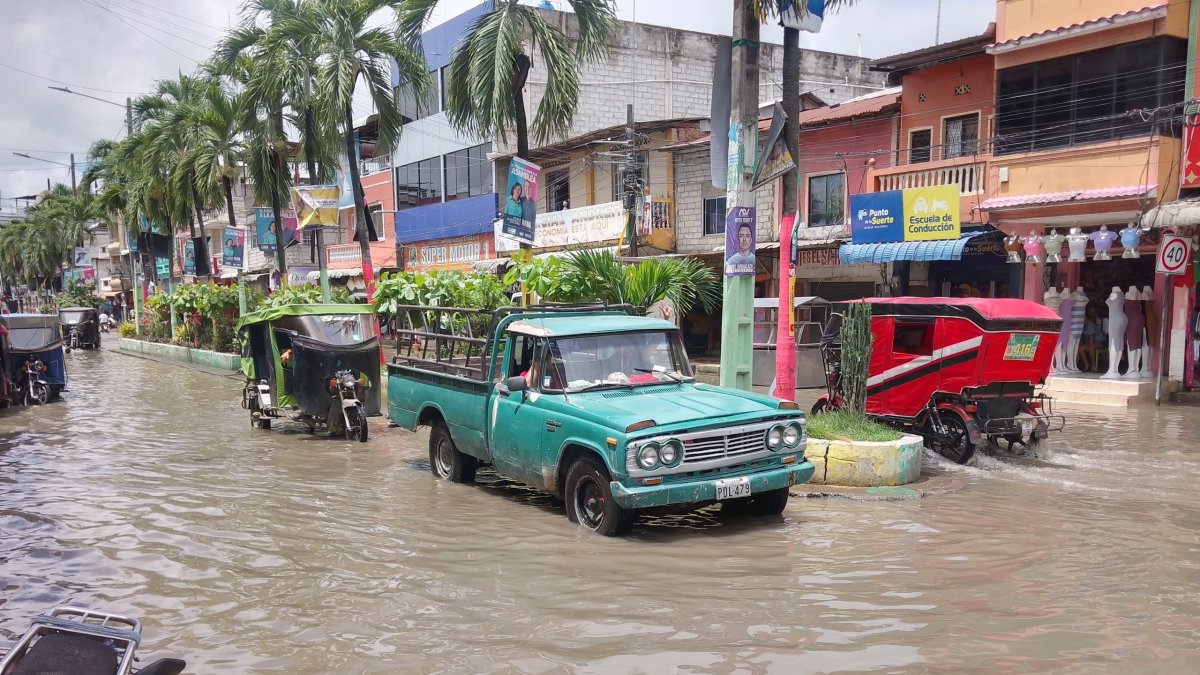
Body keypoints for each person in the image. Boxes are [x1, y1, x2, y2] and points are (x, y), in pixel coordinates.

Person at [1080, 307, 1105, 372]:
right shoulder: (1082, 325)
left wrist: (1089, 346)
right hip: (1091, 342)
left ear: (1086, 317)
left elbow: (1091, 337)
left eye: (1083, 316)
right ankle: (1086, 364)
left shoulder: (1090, 324)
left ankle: (1093, 365)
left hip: (1100, 342)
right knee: (1080, 348)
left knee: (1091, 348)